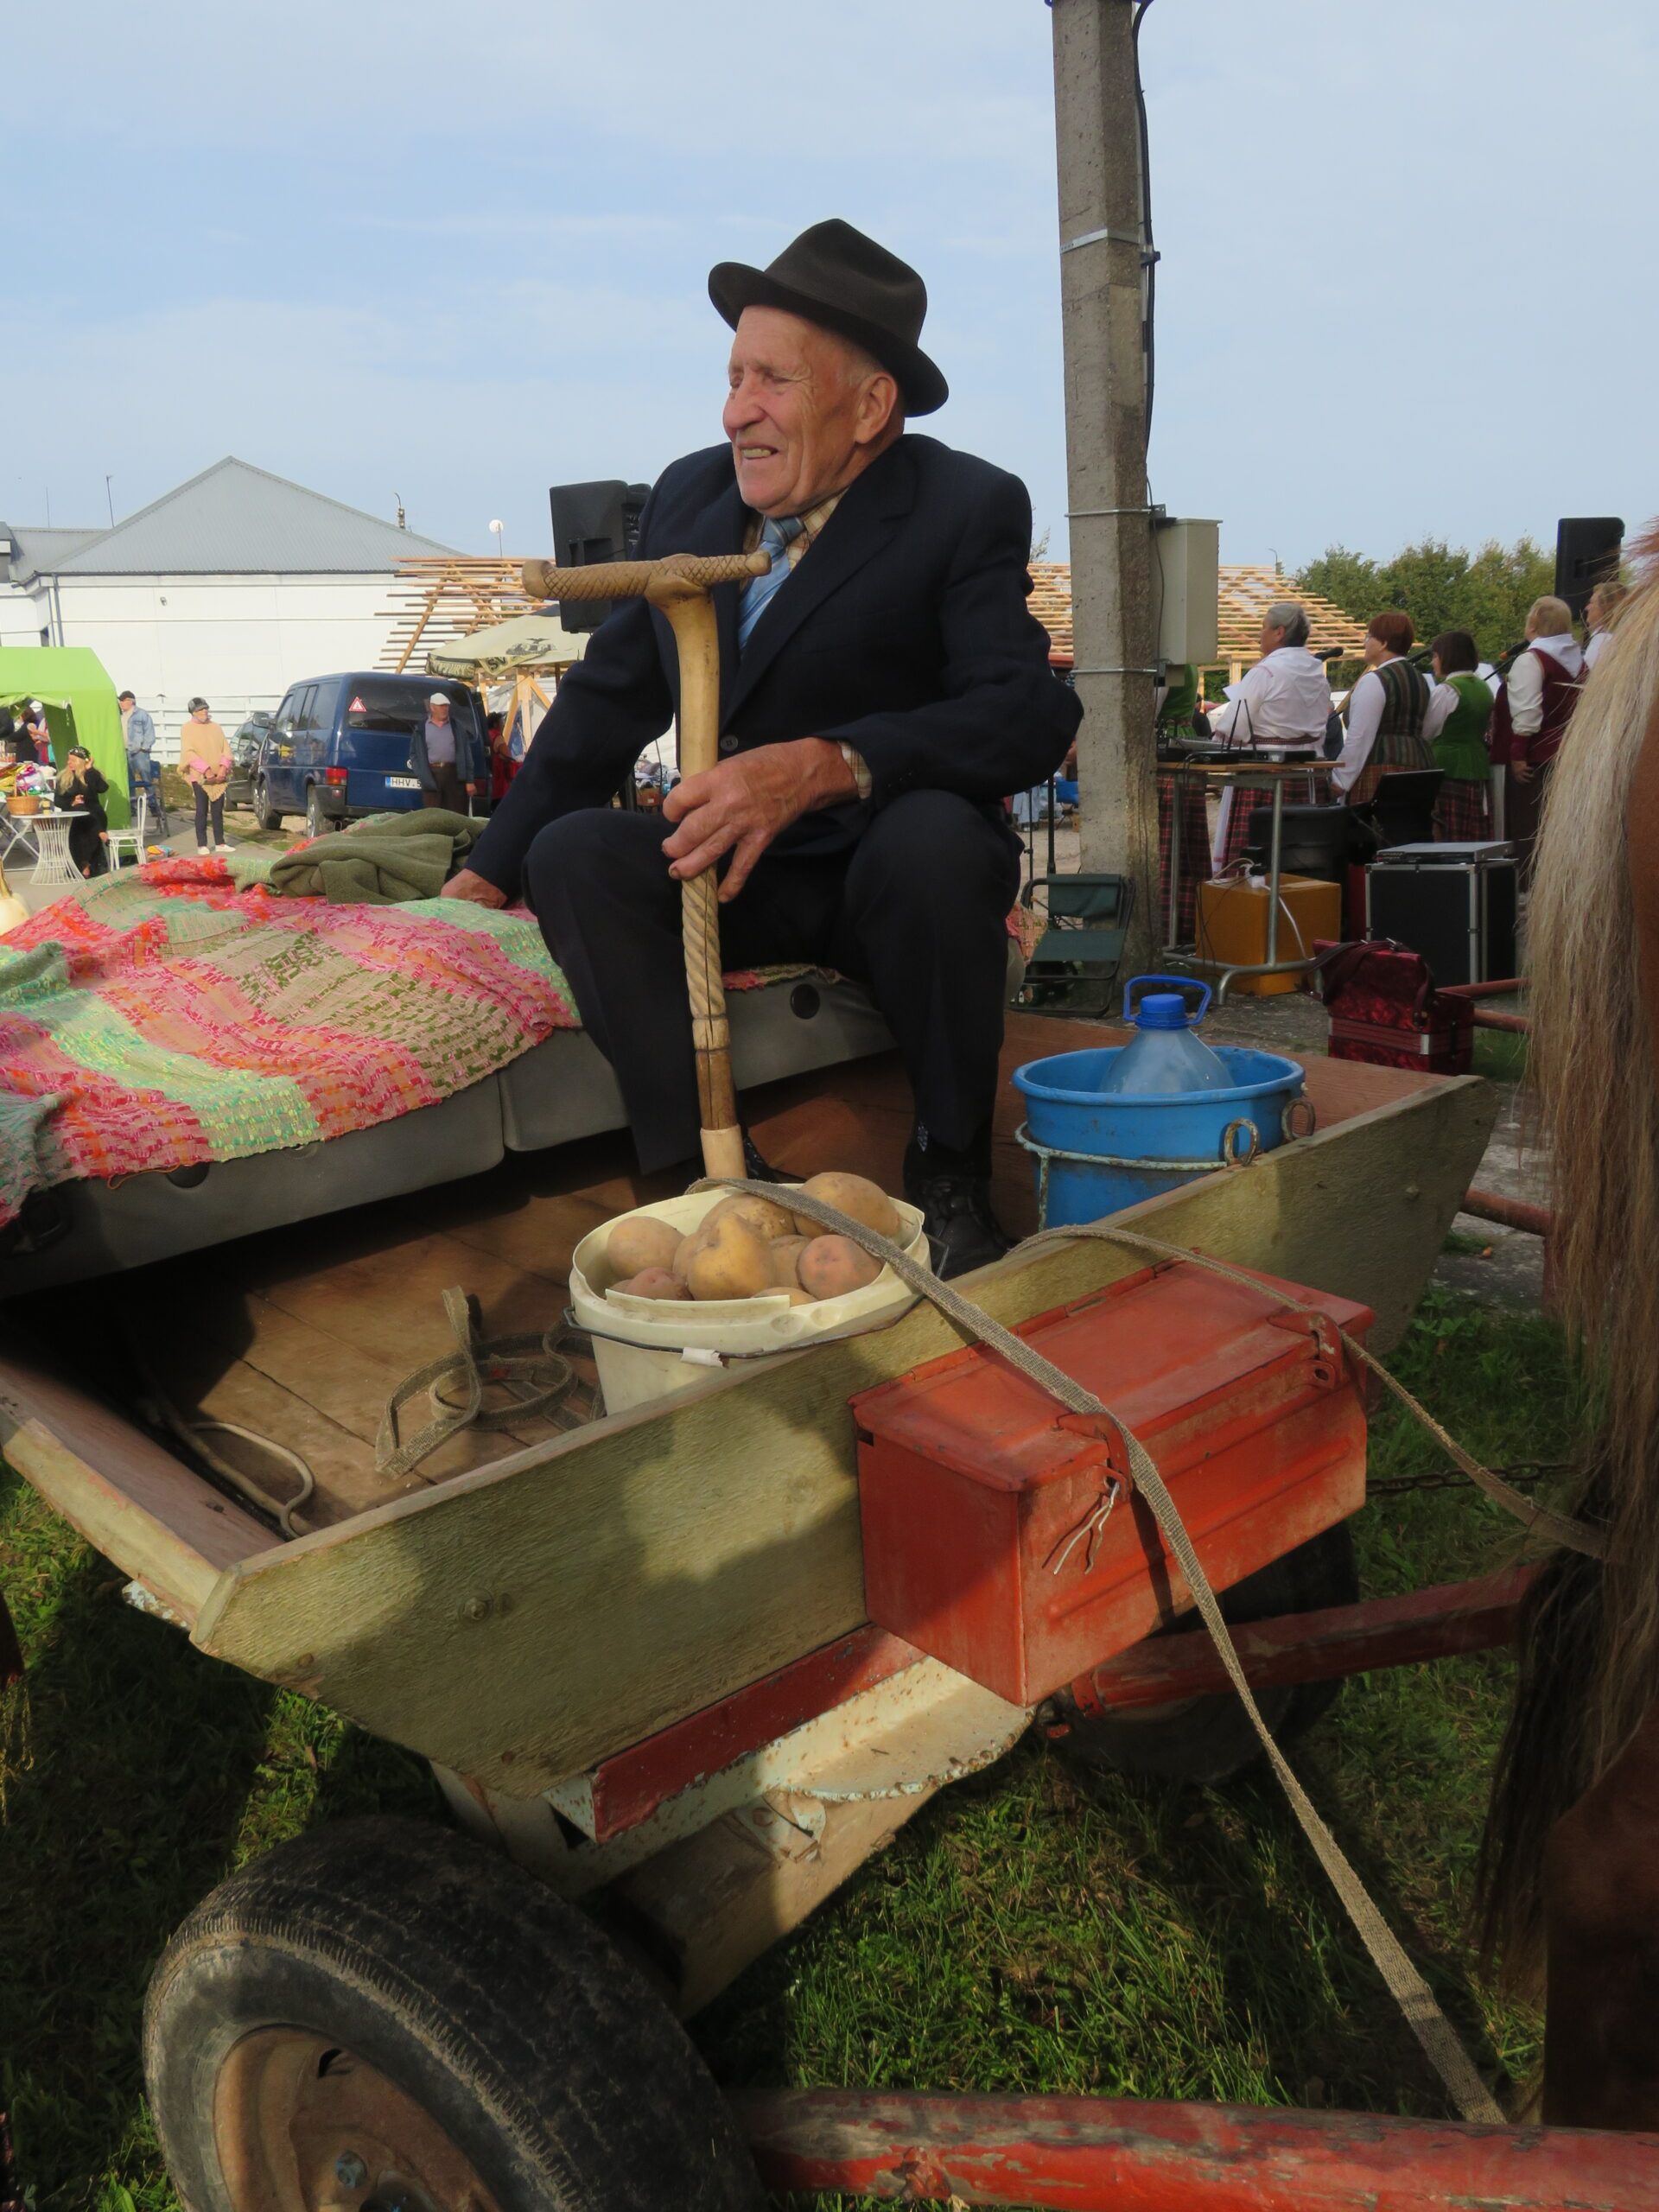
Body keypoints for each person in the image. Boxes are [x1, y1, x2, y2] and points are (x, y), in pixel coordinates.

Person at [443, 218, 1081, 1275]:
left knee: (936, 839)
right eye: (735, 377)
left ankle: (951, 1183)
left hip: (887, 884)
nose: (738, 410)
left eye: (774, 381)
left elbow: (1027, 715)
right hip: (739, 883)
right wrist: (484, 871)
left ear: (870, 407)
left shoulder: (963, 505)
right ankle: (708, 1178)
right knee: (574, 854)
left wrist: (826, 763)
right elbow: (611, 697)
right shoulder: (693, 495)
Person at [1206, 601, 1332, 868]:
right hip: (1307, 773)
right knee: (1301, 855)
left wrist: (1214, 745)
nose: (1259, 634)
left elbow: (1234, 726)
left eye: (1263, 627)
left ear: (1279, 632)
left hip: (1264, 772)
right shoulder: (1317, 674)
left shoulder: (1266, 671)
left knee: (1257, 856)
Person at [1489, 595, 1584, 882]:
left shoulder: (1532, 660)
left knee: (1529, 829)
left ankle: (1530, 889)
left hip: (1536, 760)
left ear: (1533, 624)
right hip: (1571, 754)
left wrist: (1518, 755)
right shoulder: (1579, 660)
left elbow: (1528, 713)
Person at [1330, 612, 1433, 806]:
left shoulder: (1375, 680)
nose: (1365, 643)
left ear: (1384, 643)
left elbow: (1360, 736)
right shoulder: (1421, 680)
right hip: (1420, 765)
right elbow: (1427, 728)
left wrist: (1341, 779)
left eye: (1369, 637)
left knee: (1376, 824)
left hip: (1382, 769)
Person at [1421, 629, 1492, 841]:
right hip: (1477, 766)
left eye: (1435, 656)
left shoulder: (1447, 690)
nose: (1433, 662)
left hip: (1448, 768)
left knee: (1449, 833)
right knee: (1472, 833)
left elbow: (1426, 732)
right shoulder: (1484, 688)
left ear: (1447, 656)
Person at [410, 691, 484, 814]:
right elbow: (414, 754)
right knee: (433, 814)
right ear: (432, 707)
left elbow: (467, 754)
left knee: (457, 813)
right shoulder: (421, 728)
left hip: (454, 775)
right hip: (431, 776)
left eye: (446, 706)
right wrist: (421, 773)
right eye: (441, 706)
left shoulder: (457, 727)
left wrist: (469, 781)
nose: (444, 709)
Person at [180, 697, 232, 855]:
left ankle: (220, 843)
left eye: (206, 708)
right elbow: (189, 753)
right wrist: (206, 770)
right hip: (200, 777)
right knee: (202, 810)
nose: (204, 711)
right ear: (193, 712)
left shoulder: (216, 727)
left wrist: (223, 768)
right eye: (200, 709)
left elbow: (226, 750)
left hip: (219, 777)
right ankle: (202, 844)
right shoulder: (187, 728)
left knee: (218, 811)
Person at [56, 745, 111, 877]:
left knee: (84, 817)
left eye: (73, 760)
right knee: (79, 810)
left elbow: (102, 788)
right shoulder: (64, 777)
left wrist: (90, 769)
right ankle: (100, 832)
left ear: (82, 761)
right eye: (68, 760)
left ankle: (84, 865)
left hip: (94, 814)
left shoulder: (90, 774)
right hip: (73, 815)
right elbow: (57, 800)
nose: (69, 762)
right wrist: (72, 802)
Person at [118, 689, 165, 822]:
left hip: (139, 752)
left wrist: (144, 748)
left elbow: (150, 733)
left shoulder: (142, 715)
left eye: (123, 701)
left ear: (130, 701)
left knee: (146, 779)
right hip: (125, 752)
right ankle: (132, 807)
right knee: (129, 780)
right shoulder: (120, 716)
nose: (120, 703)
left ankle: (153, 806)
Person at [1584, 578, 1628, 671]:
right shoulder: (1627, 639)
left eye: (1591, 603)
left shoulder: (1601, 641)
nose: (1587, 608)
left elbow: (1588, 677)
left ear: (1606, 608)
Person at [486, 711, 518, 809]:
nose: (503, 724)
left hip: (491, 773)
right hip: (499, 775)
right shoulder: (498, 737)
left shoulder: (487, 734)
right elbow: (508, 755)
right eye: (501, 722)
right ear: (495, 724)